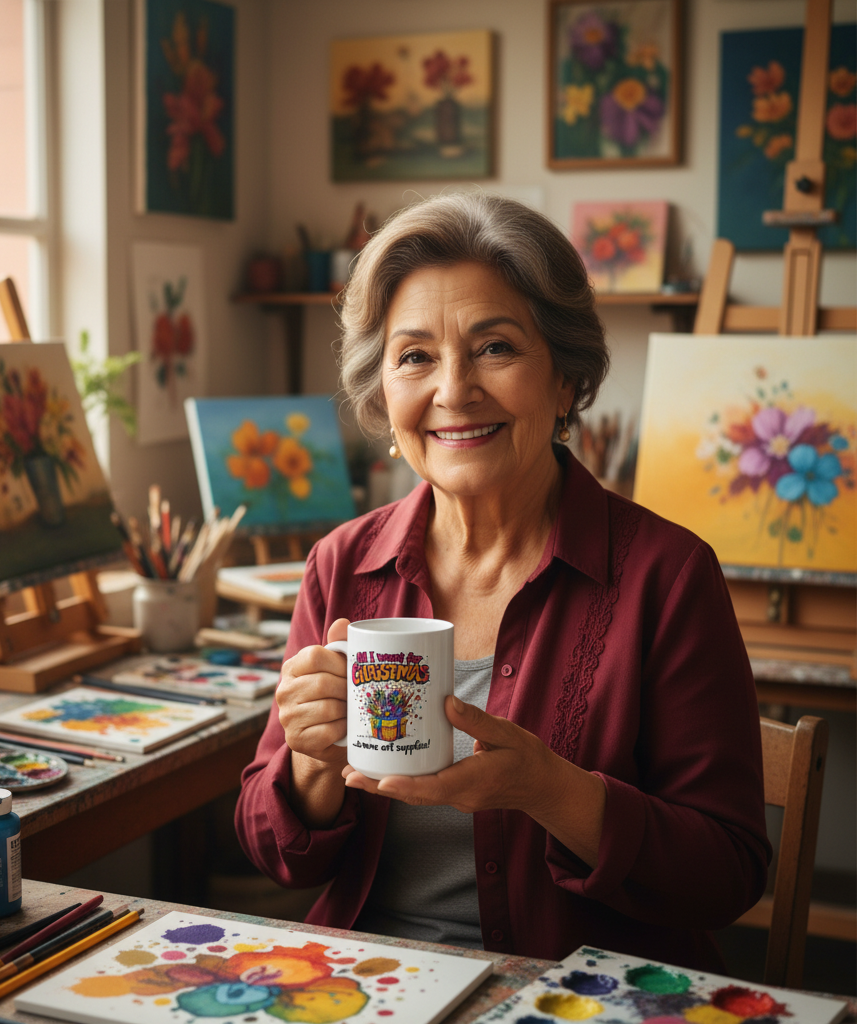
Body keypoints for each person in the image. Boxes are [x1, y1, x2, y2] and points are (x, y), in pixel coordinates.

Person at [234, 192, 770, 970]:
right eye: (414, 356)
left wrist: (550, 790)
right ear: (384, 397)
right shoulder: (341, 565)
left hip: (577, 991)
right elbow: (278, 854)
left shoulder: (669, 576)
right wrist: (313, 766)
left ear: (565, 381)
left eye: (495, 348)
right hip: (373, 983)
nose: (454, 390)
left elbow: (727, 875)